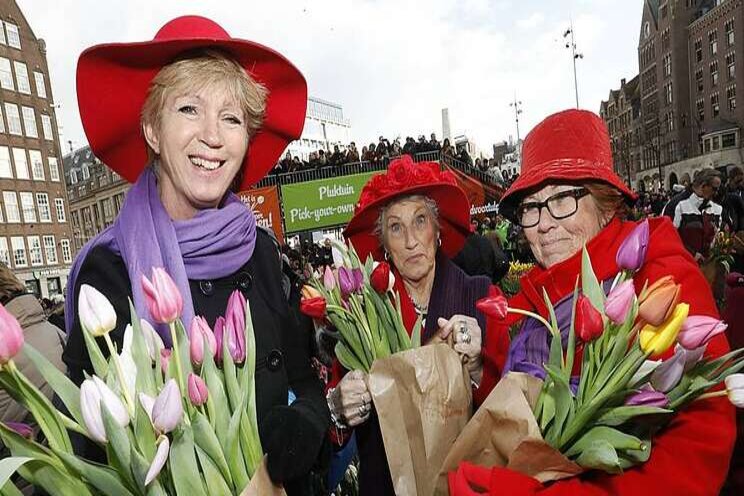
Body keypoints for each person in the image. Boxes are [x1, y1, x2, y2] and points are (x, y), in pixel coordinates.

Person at [63, 16, 329, 492]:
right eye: (189, 109)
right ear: (151, 130)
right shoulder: (110, 271)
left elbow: (303, 378)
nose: (213, 136)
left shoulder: (261, 250)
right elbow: (90, 453)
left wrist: (305, 422)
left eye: (231, 118)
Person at [460, 109, 735, 495]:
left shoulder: (655, 276)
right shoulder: (528, 301)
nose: (543, 222)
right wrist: (477, 370)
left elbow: (700, 441)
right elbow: (515, 404)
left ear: (606, 205)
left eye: (562, 199)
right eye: (531, 206)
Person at [327, 155, 507, 495]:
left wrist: (477, 368)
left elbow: (509, 412)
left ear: (438, 229)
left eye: (420, 221)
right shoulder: (361, 316)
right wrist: (339, 406)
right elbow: (336, 428)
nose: (410, 240)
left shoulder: (481, 295)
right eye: (395, 227)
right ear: (383, 243)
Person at [672, 168, 723, 261]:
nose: (716, 193)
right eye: (714, 189)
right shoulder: (680, 205)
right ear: (703, 186)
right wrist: (692, 254)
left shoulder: (717, 210)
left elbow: (717, 238)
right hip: (686, 264)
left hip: (709, 267)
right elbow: (672, 238)